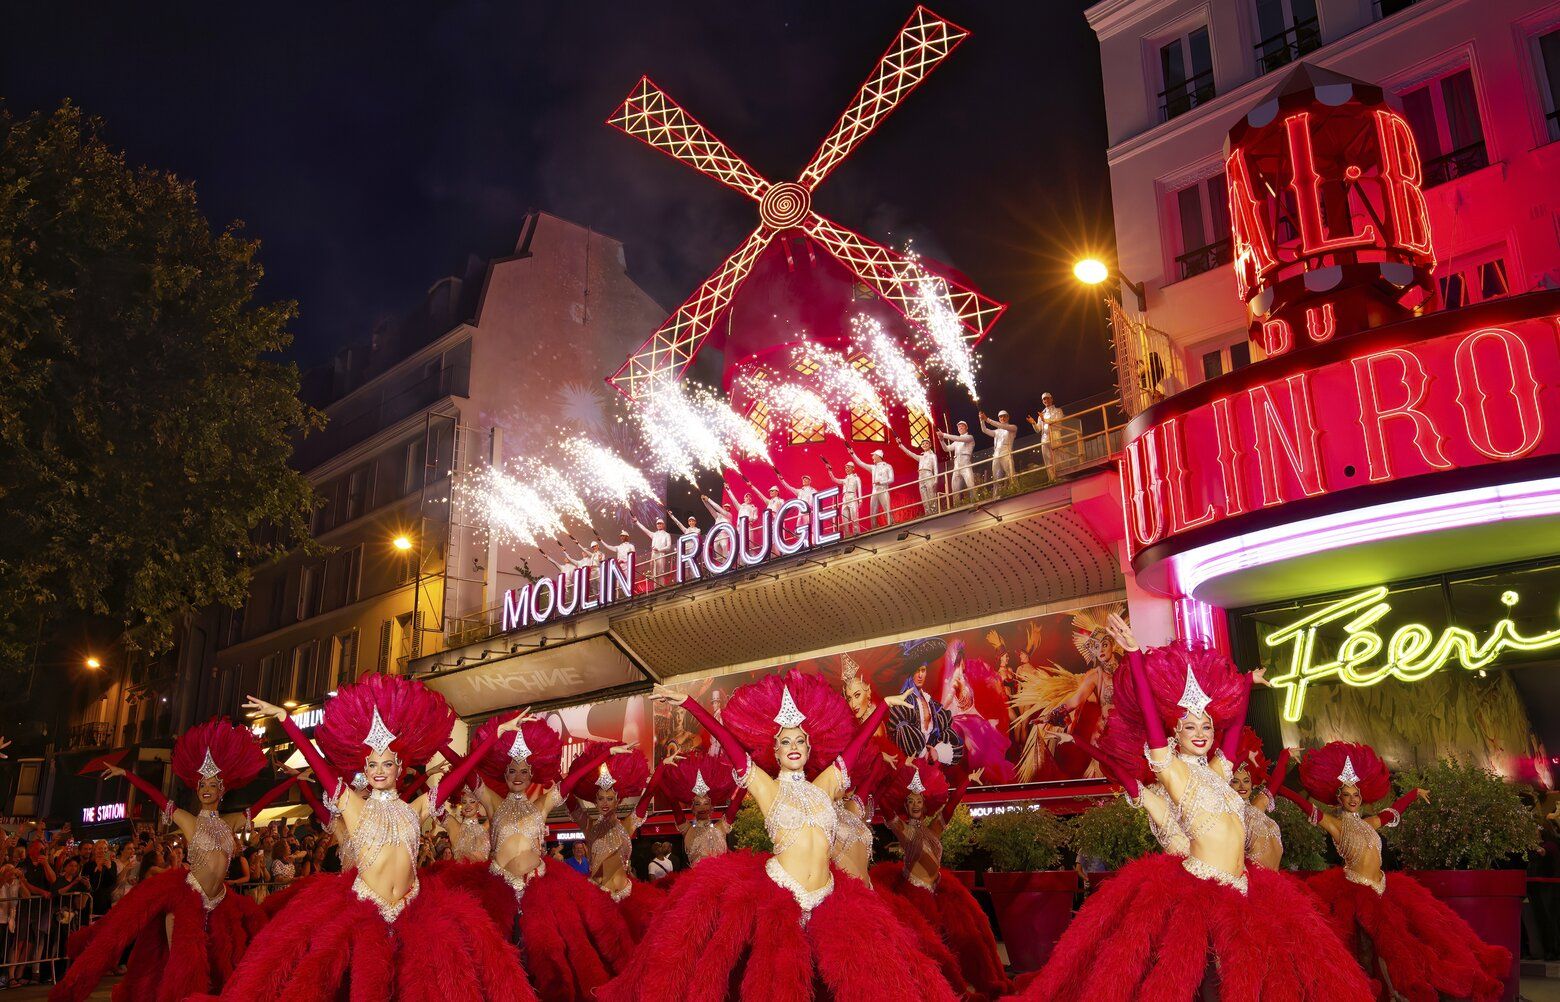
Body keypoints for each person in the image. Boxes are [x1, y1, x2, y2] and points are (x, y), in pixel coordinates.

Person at [1017, 627, 1373, 1002]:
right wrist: (1135, 657)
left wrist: (1246, 685)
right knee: (1204, 983)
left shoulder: (1219, 773)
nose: (1201, 732)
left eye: (1206, 726)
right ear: (1175, 733)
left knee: (1258, 979)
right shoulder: (1173, 772)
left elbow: (1232, 731)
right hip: (1202, 891)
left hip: (1245, 887)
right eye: (1190, 726)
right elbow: (1151, 723)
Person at [600, 671, 958, 1001]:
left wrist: (880, 710)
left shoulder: (825, 786)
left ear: (810, 747)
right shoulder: (767, 788)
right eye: (785, 741)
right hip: (782, 898)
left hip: (830, 898)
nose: (793, 745)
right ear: (774, 750)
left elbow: (853, 750)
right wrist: (692, 705)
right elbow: (729, 744)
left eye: (800, 740)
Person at [206, 675, 536, 1001]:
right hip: (364, 914)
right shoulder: (352, 805)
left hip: (414, 913)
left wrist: (495, 737)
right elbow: (317, 762)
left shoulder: (416, 809)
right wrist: (285, 721)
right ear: (365, 767)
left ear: (401, 767)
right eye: (373, 764)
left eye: (388, 763)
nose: (379, 770)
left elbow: (461, 776)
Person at [52, 719, 299, 1002]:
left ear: (222, 789)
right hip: (188, 901)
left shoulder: (230, 823)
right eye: (201, 785)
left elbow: (262, 804)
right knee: (184, 965)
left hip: (220, 902)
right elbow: (157, 797)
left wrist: (293, 780)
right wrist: (126, 774)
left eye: (212, 785)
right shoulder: (189, 821)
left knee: (224, 963)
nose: (205, 789)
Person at [1270, 741, 1510, 1001]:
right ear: (1338, 798)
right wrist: (1278, 775)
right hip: (1357, 893)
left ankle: (1395, 993)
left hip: (1384, 889)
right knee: (1364, 951)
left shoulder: (1370, 822)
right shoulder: (1335, 825)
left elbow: (1393, 811)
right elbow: (1298, 801)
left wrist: (1414, 793)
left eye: (1356, 795)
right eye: (1347, 795)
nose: (1353, 799)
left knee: (1401, 946)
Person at [435, 712, 634, 1002]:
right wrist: (436, 741)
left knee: (543, 963)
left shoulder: (542, 804)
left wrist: (604, 753)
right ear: (504, 775)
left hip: (537, 894)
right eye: (512, 771)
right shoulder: (493, 802)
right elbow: (464, 769)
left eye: (523, 771)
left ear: (531, 776)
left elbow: (571, 781)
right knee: (493, 963)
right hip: (496, 892)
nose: (517, 776)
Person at [874, 761, 1010, 998]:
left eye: (919, 801)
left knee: (963, 937)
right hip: (914, 896)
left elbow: (950, 808)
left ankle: (965, 983)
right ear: (905, 805)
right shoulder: (903, 830)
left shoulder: (934, 828)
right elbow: (885, 804)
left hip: (938, 890)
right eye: (911, 801)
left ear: (925, 805)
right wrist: (891, 772)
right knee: (927, 946)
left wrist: (967, 782)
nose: (915, 804)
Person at [561, 744, 666, 941]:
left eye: (609, 798)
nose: (605, 803)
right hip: (598, 900)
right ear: (595, 801)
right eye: (600, 799)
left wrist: (662, 766)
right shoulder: (589, 827)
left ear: (618, 800)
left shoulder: (627, 825)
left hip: (628, 898)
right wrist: (556, 775)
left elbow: (648, 795)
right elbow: (570, 800)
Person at [656, 749, 745, 868]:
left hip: (721, 882)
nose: (702, 807)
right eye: (698, 804)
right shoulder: (687, 830)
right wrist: (661, 768)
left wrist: (748, 774)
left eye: (705, 803)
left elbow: (735, 804)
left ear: (711, 806)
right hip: (695, 883)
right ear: (692, 808)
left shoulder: (721, 827)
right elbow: (673, 802)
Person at [885, 639, 965, 767]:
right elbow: (900, 733)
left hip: (932, 766)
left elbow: (954, 741)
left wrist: (936, 752)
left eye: (923, 670)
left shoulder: (932, 704)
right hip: (910, 765)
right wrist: (922, 753)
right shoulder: (903, 703)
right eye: (916, 671)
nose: (920, 675)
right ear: (911, 674)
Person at [894, 433, 939, 516]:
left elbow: (935, 467)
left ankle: (934, 513)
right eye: (923, 444)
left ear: (930, 445)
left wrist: (936, 480)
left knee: (931, 495)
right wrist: (900, 444)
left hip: (929, 474)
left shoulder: (933, 456)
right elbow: (909, 453)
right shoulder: (921, 457)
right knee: (924, 496)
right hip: (921, 476)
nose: (924, 445)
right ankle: (927, 513)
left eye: (926, 443)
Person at [821, 458, 864, 536]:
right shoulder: (845, 479)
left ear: (852, 468)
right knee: (844, 519)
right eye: (846, 467)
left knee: (854, 518)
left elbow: (859, 488)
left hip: (853, 497)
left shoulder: (856, 478)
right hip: (845, 499)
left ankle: (856, 533)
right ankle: (847, 535)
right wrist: (830, 470)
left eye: (848, 467)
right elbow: (834, 479)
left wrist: (860, 500)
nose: (846, 469)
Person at [936, 422, 975, 500]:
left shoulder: (970, 437)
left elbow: (959, 438)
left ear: (966, 427)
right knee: (955, 490)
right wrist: (941, 440)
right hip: (956, 466)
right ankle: (957, 506)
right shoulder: (956, 442)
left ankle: (975, 503)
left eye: (962, 426)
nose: (960, 428)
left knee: (971, 486)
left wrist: (944, 435)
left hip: (965, 465)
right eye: (959, 426)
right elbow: (946, 449)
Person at [632, 514, 674, 587]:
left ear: (663, 525)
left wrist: (659, 550)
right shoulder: (654, 534)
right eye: (657, 524)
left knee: (660, 573)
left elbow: (668, 547)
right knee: (653, 573)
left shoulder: (667, 535)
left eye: (660, 523)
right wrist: (637, 522)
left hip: (661, 555)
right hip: (653, 555)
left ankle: (661, 588)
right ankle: (655, 588)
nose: (659, 525)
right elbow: (645, 529)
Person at [978, 410, 1017, 485]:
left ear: (1008, 417)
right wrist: (982, 420)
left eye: (1004, 416)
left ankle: (1016, 490)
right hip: (996, 454)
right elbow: (984, 430)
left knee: (1011, 475)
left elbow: (1002, 426)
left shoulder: (1012, 428)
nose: (1002, 418)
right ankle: (996, 496)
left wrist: (987, 419)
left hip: (1006, 452)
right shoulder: (996, 431)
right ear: (999, 418)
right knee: (996, 479)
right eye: (1000, 417)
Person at [1028, 393, 1064, 469]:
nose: (1046, 400)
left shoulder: (1058, 410)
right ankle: (1052, 479)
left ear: (1051, 399)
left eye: (1047, 398)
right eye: (1044, 399)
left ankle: (1062, 475)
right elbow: (1038, 430)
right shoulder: (1041, 414)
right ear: (1042, 401)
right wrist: (1033, 423)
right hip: (1044, 437)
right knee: (1047, 459)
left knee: (1057, 456)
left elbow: (1058, 422)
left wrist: (1045, 420)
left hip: (1055, 435)